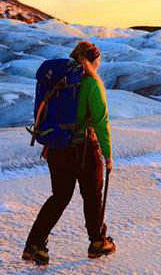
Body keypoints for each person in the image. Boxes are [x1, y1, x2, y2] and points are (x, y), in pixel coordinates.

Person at [23, 41, 115, 265]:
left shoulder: (59, 79)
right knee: (92, 195)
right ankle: (97, 242)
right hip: (83, 148)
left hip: (56, 148)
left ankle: (34, 246)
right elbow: (101, 122)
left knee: (60, 197)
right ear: (94, 60)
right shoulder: (92, 84)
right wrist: (108, 155)